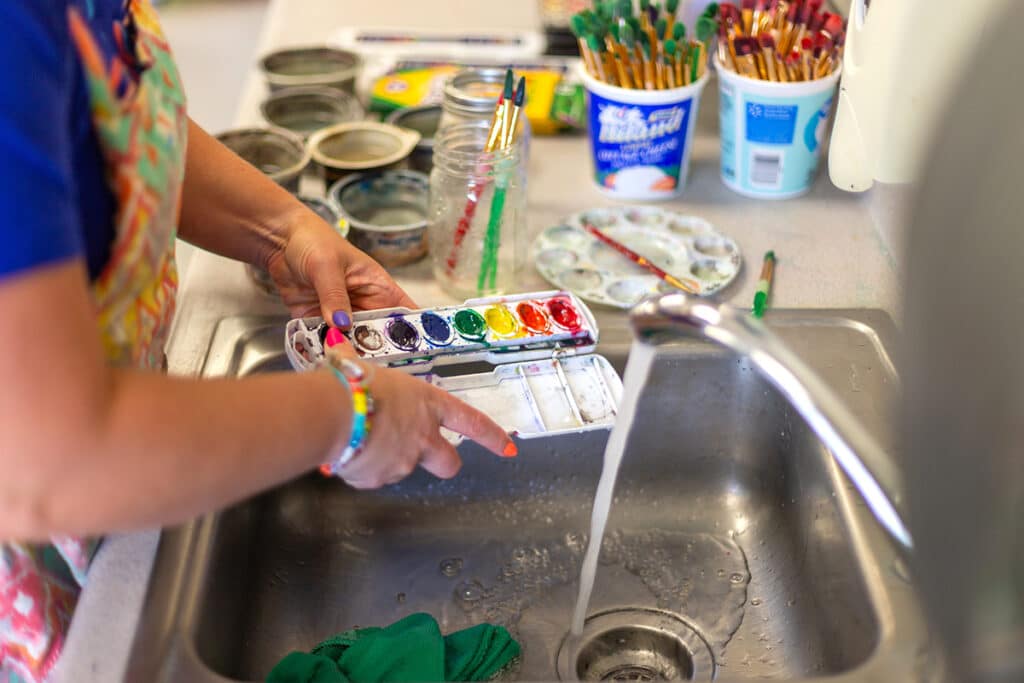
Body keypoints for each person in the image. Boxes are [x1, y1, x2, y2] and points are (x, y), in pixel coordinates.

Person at [0, 2, 515, 680]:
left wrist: (282, 229)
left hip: (124, 478)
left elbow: (85, 133)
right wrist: (351, 414)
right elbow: (48, 462)